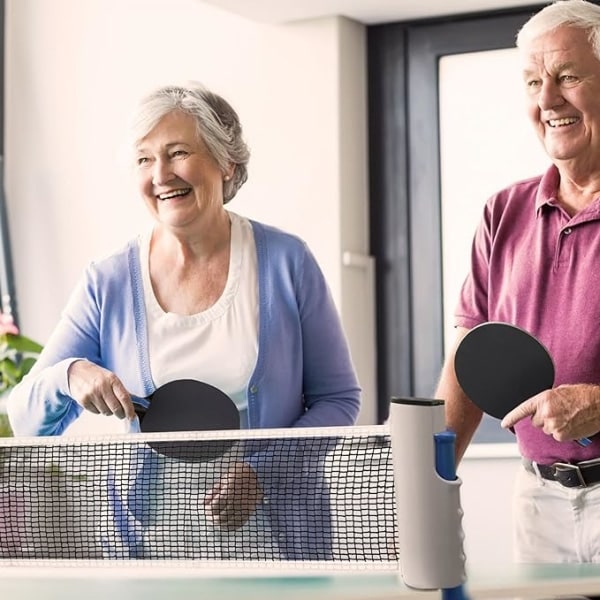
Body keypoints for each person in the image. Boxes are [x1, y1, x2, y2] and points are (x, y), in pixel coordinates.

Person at [7, 83, 361, 553]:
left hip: (281, 548)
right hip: (153, 552)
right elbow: (25, 416)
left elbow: (338, 400)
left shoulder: (287, 262)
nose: (161, 174)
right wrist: (70, 376)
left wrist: (262, 473)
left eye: (177, 152)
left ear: (226, 163)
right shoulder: (107, 281)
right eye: (144, 159)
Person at [435, 0, 600, 564]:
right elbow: (466, 366)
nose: (547, 99)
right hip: (536, 497)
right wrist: (424, 484)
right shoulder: (501, 212)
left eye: (568, 76)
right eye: (532, 81)